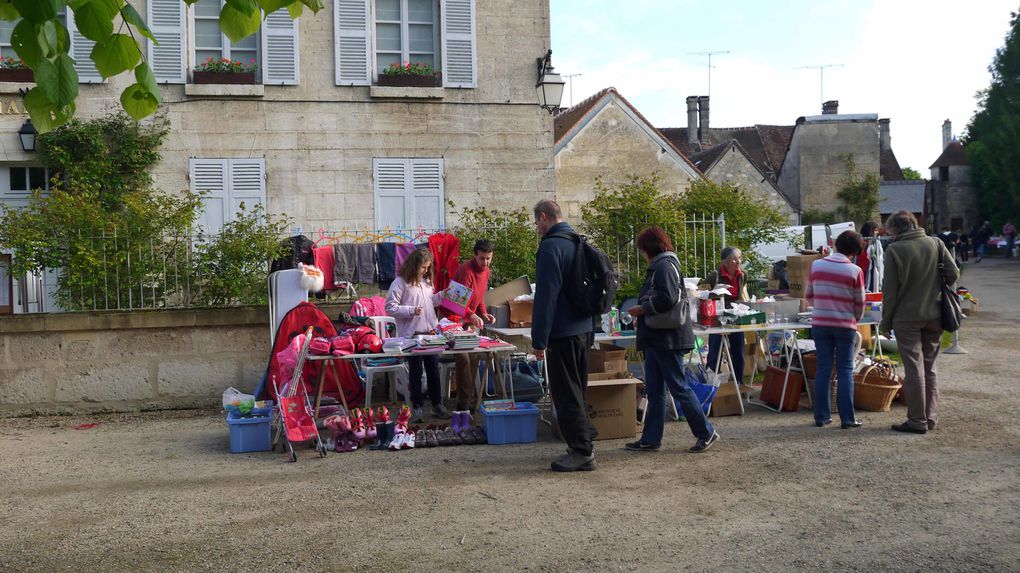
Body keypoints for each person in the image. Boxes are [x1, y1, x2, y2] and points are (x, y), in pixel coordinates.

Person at [625, 227, 719, 453]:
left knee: (678, 387)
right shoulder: (664, 265)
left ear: (649, 248)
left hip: (668, 338)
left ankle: (706, 432)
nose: (642, 254)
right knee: (656, 390)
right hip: (661, 337)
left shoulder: (664, 266)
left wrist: (644, 309)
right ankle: (650, 439)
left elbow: (668, 298)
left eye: (642, 250)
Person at [531, 200, 598, 472]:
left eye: (537, 222)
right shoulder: (577, 240)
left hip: (563, 331)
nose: (537, 228)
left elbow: (546, 297)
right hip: (584, 327)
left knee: (565, 392)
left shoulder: (551, 247)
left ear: (544, 217)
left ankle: (582, 451)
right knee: (578, 389)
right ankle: (582, 441)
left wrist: (539, 339)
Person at [881, 210, 959, 434]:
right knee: (930, 367)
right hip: (935, 314)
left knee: (914, 369)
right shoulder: (935, 243)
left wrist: (885, 323)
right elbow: (953, 273)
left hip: (907, 317)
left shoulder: (895, 249)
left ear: (895, 229)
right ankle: (930, 417)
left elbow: (890, 292)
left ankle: (917, 420)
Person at [805, 230, 865, 429]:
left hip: (820, 323)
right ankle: (847, 419)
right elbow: (860, 303)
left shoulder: (817, 265)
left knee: (823, 369)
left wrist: (822, 306)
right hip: (844, 325)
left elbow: (809, 295)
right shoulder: (855, 271)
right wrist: (854, 318)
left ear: (836, 244)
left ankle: (821, 417)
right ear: (855, 251)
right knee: (845, 369)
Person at [385, 248, 452, 423]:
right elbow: (390, 307)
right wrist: (411, 311)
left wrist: (442, 296)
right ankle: (417, 408)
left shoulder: (427, 281)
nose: (425, 270)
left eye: (427, 267)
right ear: (414, 265)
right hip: (412, 336)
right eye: (423, 267)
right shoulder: (399, 283)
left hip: (431, 333)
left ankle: (437, 405)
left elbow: (430, 302)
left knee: (433, 371)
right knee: (415, 372)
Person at [446, 239, 496, 413]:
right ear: (475, 255)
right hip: (453, 320)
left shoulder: (486, 270)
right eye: (482, 258)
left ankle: (469, 399)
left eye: (488, 258)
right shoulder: (466, 271)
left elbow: (479, 295)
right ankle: (463, 404)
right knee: (464, 359)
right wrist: (472, 315)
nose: (485, 262)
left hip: (469, 320)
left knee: (475, 357)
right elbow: (454, 301)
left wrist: (483, 313)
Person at [705, 247, 748, 386]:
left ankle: (738, 383)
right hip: (717, 316)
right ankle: (711, 383)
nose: (738, 262)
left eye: (739, 258)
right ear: (725, 261)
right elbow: (702, 291)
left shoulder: (742, 275)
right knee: (714, 351)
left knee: (738, 350)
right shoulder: (715, 275)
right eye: (734, 259)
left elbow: (741, 294)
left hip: (735, 315)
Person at [856, 222, 877, 291]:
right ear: (870, 231)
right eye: (875, 230)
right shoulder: (865, 242)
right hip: (863, 270)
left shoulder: (872, 243)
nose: (877, 232)